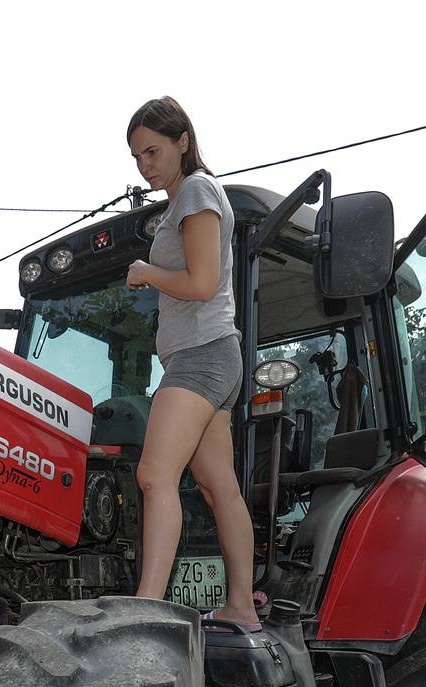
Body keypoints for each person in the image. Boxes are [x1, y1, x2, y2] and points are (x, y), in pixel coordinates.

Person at [124, 96, 261, 630]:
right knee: (217, 486)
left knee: (155, 474)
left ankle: (145, 609)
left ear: (184, 140)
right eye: (137, 157)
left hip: (201, 357)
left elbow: (202, 284)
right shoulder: (183, 199)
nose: (145, 165)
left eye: (153, 151)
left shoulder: (199, 191)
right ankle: (243, 607)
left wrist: (145, 271)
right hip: (212, 356)